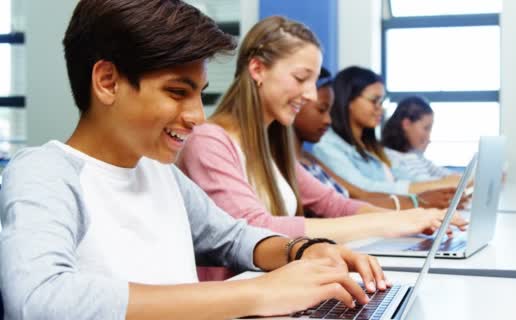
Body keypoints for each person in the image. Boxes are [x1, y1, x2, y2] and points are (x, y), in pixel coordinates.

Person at [0, 2, 393, 319]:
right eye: (177, 92)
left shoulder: (160, 174)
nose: (197, 116)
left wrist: (304, 251)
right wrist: (257, 295)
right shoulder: (43, 172)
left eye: (199, 94)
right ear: (108, 82)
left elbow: (235, 237)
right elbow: (39, 299)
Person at [176, 16, 466, 246]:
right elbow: (255, 229)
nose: (312, 95)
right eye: (301, 78)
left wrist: (414, 218)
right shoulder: (209, 141)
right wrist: (391, 223)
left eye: (313, 82)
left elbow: (334, 204)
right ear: (257, 69)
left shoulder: (270, 145)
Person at [294, 68, 457, 210]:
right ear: (348, 100)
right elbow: (360, 192)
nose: (380, 109)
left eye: (381, 102)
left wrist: (437, 191)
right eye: (374, 101)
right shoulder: (325, 147)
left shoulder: (371, 148)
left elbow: (400, 178)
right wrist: (420, 199)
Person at [382, 96, 461, 182]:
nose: (428, 136)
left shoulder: (415, 155)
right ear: (406, 124)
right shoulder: (389, 157)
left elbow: (446, 174)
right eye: (426, 128)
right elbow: (420, 184)